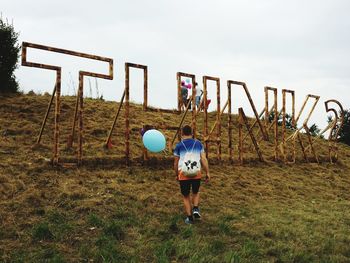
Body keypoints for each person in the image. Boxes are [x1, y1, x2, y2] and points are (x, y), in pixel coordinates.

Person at [173, 125, 210, 224]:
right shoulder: (198, 144)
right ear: (192, 133)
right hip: (196, 173)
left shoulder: (179, 146)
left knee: (186, 196)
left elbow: (176, 162)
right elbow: (203, 159)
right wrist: (207, 172)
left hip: (183, 174)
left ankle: (189, 218)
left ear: (182, 133)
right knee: (196, 192)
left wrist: (177, 174)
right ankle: (196, 209)